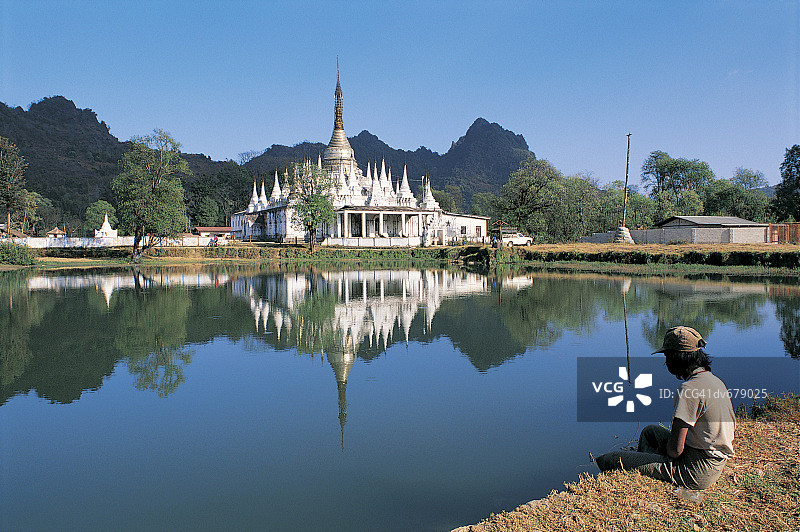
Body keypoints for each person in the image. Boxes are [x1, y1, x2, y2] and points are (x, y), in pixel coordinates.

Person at [595, 326, 735, 490]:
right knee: (650, 432)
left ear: (677, 357)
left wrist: (665, 449)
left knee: (611, 459)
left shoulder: (688, 389)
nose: (666, 361)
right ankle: (646, 466)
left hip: (696, 471)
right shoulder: (714, 381)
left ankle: (616, 479)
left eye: (667, 356)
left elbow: (675, 450)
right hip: (713, 462)